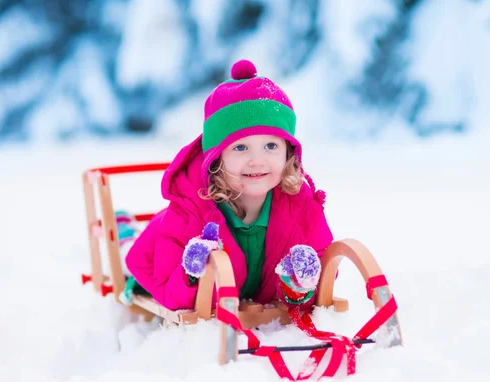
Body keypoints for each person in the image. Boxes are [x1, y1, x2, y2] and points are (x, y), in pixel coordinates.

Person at [124, 59, 334, 312]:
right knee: (129, 256)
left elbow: (319, 275)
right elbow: (170, 293)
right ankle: (125, 232)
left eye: (270, 146)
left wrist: (299, 285)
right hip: (153, 249)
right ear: (217, 157)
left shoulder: (302, 209)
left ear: (288, 152)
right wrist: (192, 274)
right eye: (240, 147)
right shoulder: (189, 214)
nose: (257, 161)